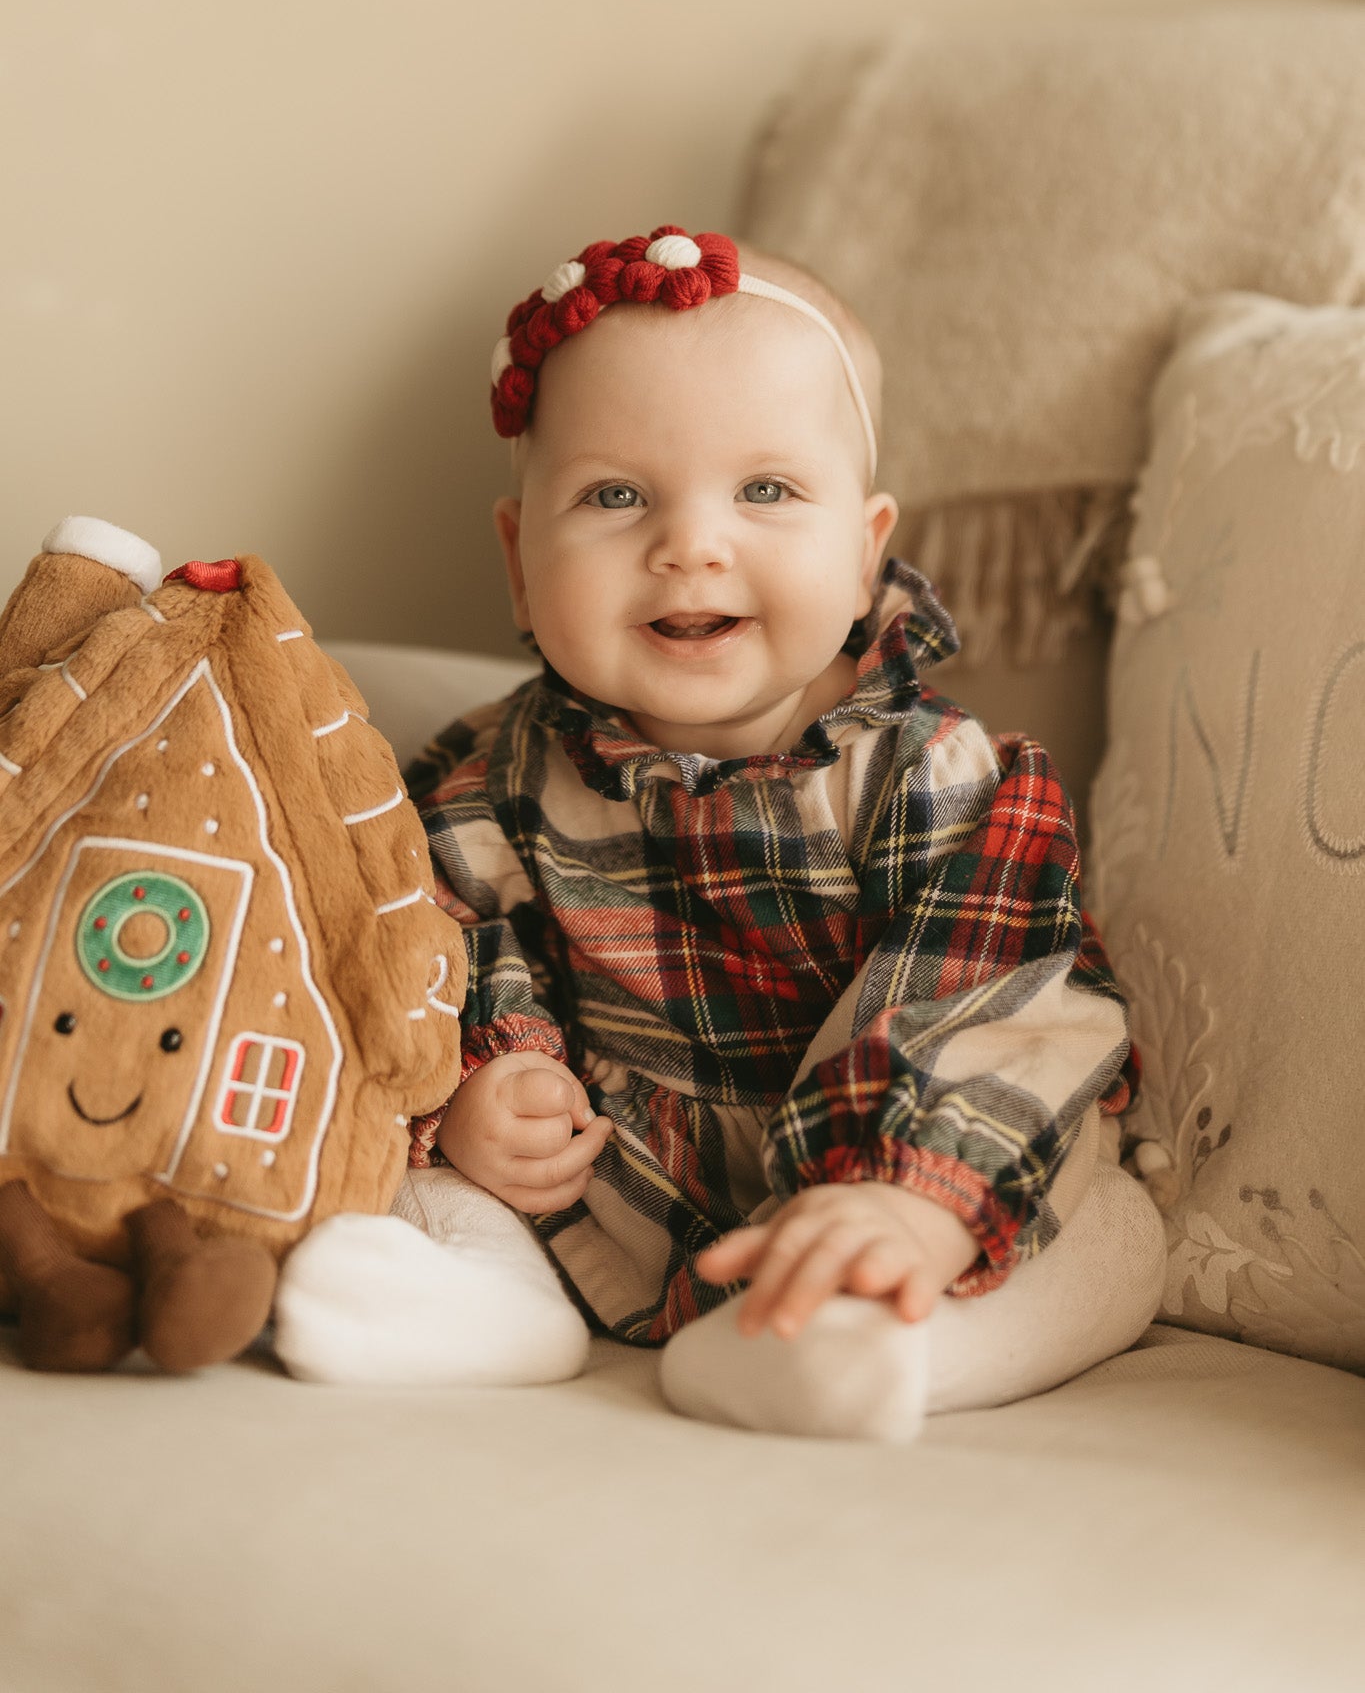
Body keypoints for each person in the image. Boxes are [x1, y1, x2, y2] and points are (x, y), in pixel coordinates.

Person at [274, 225, 1165, 1438]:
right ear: (520, 565)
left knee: (1105, 1227)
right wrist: (486, 1084)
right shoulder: (488, 777)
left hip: (898, 1152)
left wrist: (910, 1198)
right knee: (424, 1161)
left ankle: (871, 1343)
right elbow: (433, 943)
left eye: (766, 490)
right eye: (616, 494)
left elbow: (989, 993)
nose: (689, 542)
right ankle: (483, 1302)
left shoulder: (942, 774)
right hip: (611, 1189)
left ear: (864, 552)